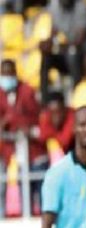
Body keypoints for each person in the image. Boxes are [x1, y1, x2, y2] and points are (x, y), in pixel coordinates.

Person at [0, 59, 47, 218]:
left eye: (10, 73)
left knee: (40, 194)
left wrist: (16, 121)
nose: (7, 77)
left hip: (33, 151)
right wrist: (6, 120)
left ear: (15, 73)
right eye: (3, 74)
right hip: (6, 151)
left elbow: (36, 118)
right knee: (6, 188)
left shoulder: (27, 91)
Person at [40, 0, 86, 103]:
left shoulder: (81, 7)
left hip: (84, 52)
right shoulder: (54, 6)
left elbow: (80, 38)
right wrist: (49, 43)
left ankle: (76, 95)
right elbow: (54, 29)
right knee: (46, 57)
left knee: (73, 55)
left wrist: (62, 47)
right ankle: (44, 99)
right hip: (67, 49)